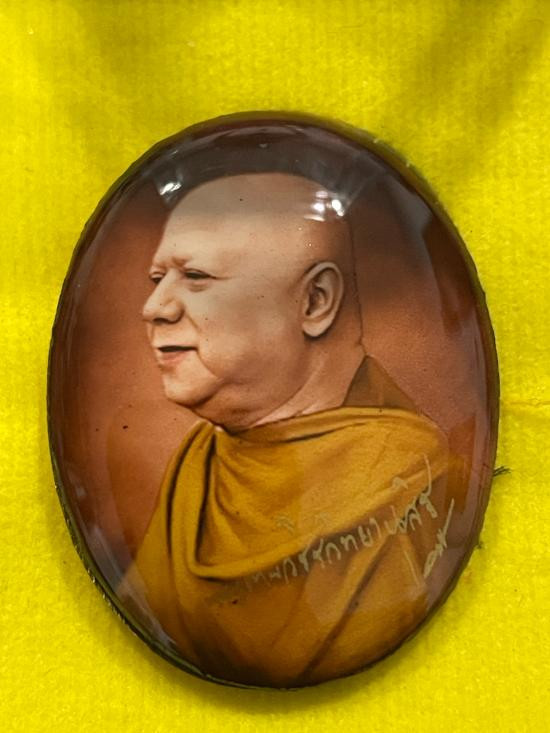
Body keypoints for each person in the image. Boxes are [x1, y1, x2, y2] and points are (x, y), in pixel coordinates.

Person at [120, 172, 458, 687]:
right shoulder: (200, 461)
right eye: (156, 279)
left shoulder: (412, 480)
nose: (154, 309)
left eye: (196, 276)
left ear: (315, 301)